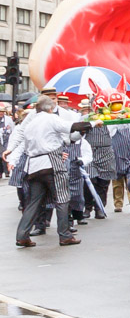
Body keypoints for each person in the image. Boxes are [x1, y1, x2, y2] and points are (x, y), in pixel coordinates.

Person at [5, 96, 96, 247]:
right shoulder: (51, 119)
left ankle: (22, 235)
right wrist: (93, 123)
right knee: (62, 198)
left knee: (33, 202)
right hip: (52, 163)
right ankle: (65, 235)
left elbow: (68, 139)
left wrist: (11, 154)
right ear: (50, 108)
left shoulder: (30, 124)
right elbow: (72, 127)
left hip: (34, 166)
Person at [110, 123, 130, 212]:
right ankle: (118, 204)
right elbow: (109, 133)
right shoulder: (113, 126)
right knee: (117, 183)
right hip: (116, 157)